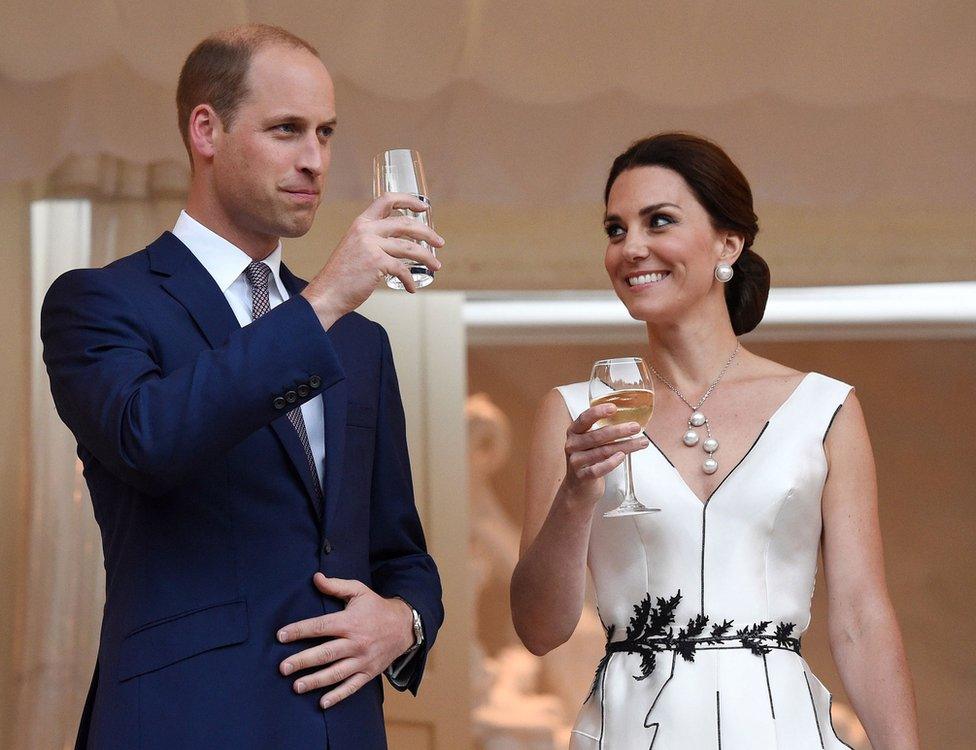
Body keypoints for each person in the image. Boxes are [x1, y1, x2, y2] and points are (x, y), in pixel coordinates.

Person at [41, 24, 444, 750]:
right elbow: (149, 440)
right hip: (185, 722)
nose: (315, 160)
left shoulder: (363, 344)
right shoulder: (100, 302)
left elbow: (400, 551)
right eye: (287, 130)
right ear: (207, 129)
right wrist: (320, 302)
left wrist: (405, 619)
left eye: (325, 133)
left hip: (343, 731)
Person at [511, 133, 920, 749]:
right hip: (632, 730)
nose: (632, 248)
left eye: (660, 222)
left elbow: (862, 619)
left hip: (781, 730)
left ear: (728, 243)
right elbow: (540, 630)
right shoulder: (575, 413)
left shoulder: (825, 409)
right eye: (616, 229)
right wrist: (575, 495)